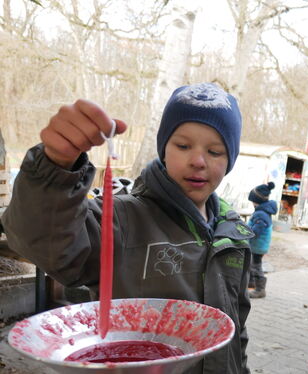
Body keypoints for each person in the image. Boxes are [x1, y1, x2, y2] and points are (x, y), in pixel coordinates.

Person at [1, 83, 254, 374]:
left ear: (230, 160)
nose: (198, 161)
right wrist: (55, 167)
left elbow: (236, 327)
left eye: (215, 151)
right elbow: (40, 239)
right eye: (183, 146)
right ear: (163, 149)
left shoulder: (235, 234)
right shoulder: (121, 219)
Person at [247, 181, 278, 298]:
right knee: (252, 264)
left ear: (256, 201)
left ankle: (260, 290)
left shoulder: (261, 214)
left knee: (256, 266)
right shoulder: (264, 211)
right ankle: (251, 284)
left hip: (258, 246)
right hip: (258, 245)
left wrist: (245, 233)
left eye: (252, 201)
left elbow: (256, 230)